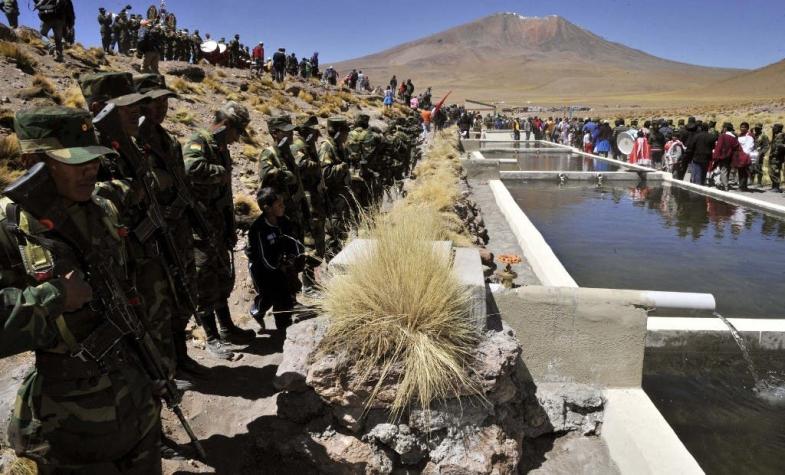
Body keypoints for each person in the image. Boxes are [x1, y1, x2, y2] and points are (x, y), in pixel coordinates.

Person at [1, 106, 161, 473]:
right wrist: (53, 297)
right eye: (76, 161)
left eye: (93, 159)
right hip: (70, 430)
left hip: (136, 408)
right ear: (31, 160)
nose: (91, 169)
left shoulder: (100, 208)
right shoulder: (8, 229)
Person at [133, 74, 207, 381]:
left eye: (165, 101)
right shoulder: (131, 144)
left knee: (183, 296)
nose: (162, 108)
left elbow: (181, 183)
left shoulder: (168, 141)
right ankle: (165, 370)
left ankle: (180, 356)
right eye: (155, 102)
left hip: (176, 232)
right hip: (151, 240)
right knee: (157, 306)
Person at [183, 102, 256, 358]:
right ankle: (212, 338)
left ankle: (227, 329)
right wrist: (221, 171)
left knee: (222, 281)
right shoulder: (199, 141)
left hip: (218, 227)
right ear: (226, 125)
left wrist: (230, 226)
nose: (237, 139)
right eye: (237, 132)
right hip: (199, 231)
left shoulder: (221, 148)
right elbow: (190, 169)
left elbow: (225, 193)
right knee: (204, 284)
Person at [247, 187, 305, 335]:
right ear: (267, 208)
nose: (283, 207)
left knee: (283, 295)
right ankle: (257, 311)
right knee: (268, 297)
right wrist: (279, 266)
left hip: (280, 266)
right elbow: (263, 258)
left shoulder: (283, 221)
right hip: (263, 270)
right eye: (279, 205)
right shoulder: (258, 229)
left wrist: (292, 258)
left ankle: (284, 327)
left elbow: (292, 241)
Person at [258, 115, 307, 243]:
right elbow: (266, 178)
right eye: (286, 131)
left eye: (291, 130)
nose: (291, 134)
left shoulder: (288, 152)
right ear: (274, 133)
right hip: (281, 213)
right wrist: (286, 176)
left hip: (295, 211)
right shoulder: (269, 153)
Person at [291, 115, 325, 293]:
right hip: (306, 201)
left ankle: (311, 280)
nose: (316, 133)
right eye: (313, 130)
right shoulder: (298, 146)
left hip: (315, 200)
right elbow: (300, 165)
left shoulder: (308, 146)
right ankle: (307, 283)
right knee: (309, 242)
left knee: (316, 240)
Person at [319, 117, 352, 254]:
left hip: (341, 200)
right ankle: (332, 266)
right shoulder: (327, 147)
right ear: (338, 132)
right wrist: (342, 167)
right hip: (332, 201)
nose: (347, 135)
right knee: (332, 236)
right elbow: (325, 174)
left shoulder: (339, 147)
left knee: (342, 234)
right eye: (345, 132)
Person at [710, 122, 741, 191]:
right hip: (731, 157)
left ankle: (725, 186)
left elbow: (719, 147)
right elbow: (736, 147)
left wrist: (715, 156)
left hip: (723, 156)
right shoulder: (734, 137)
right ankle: (725, 183)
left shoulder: (723, 136)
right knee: (728, 170)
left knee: (723, 170)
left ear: (725, 128)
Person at [736, 122, 754, 191]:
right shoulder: (740, 135)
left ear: (747, 128)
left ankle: (742, 186)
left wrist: (744, 154)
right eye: (741, 127)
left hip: (745, 155)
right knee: (740, 171)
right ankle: (742, 186)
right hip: (739, 155)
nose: (742, 128)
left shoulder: (749, 136)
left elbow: (749, 146)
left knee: (744, 171)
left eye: (744, 127)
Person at [750, 123, 769, 187]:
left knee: (758, 168)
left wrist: (761, 153)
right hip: (752, 154)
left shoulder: (763, 136)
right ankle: (751, 181)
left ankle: (759, 183)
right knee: (751, 168)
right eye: (755, 128)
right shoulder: (754, 135)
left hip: (759, 155)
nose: (756, 129)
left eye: (758, 128)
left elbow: (766, 146)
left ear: (760, 129)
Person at [769, 123, 784, 192]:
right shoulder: (776, 135)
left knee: (775, 171)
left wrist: (776, 152)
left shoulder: (780, 135)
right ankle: (774, 186)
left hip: (777, 157)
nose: (773, 129)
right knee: (772, 171)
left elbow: (780, 145)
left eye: (774, 128)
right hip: (774, 157)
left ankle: (776, 187)